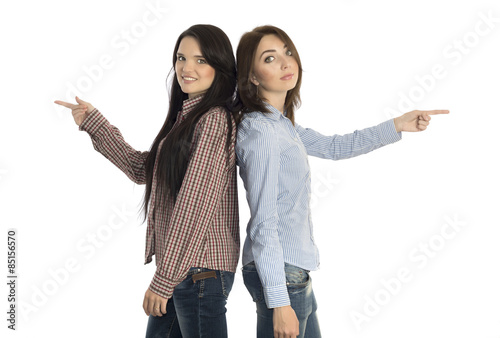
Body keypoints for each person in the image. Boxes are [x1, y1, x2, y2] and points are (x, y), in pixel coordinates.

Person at [234, 25, 449, 338]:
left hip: (292, 270)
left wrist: (397, 125)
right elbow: (264, 221)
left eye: (288, 53)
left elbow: (336, 146)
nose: (285, 63)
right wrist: (279, 301)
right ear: (252, 76)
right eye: (270, 58)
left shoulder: (281, 127)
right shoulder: (262, 132)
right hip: (280, 272)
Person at [55, 24, 239, 338]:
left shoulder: (213, 121)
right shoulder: (186, 118)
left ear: (220, 68)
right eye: (181, 58)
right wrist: (94, 123)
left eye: (200, 60)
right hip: (186, 268)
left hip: (198, 270)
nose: (186, 68)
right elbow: (144, 170)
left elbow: (194, 207)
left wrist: (164, 280)